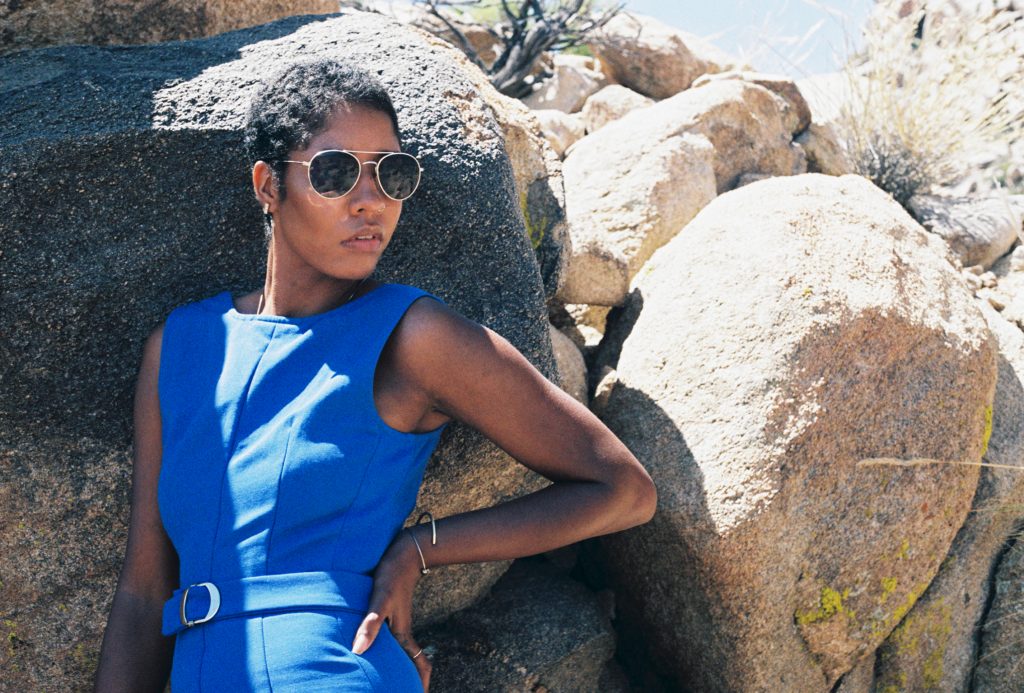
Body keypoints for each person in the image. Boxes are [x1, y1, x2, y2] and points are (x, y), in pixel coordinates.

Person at [93, 57, 657, 692]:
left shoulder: (414, 337)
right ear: (269, 185)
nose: (371, 201)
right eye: (335, 173)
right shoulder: (180, 346)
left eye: (392, 174)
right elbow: (143, 590)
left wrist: (421, 548)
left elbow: (623, 490)